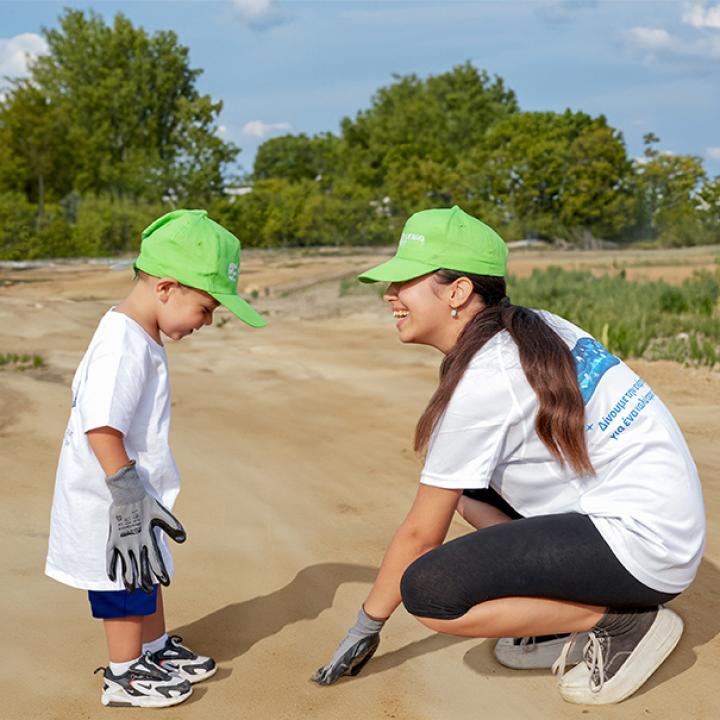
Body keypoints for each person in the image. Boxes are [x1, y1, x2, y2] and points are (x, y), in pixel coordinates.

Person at [311, 205, 705, 705]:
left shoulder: (484, 380)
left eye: (404, 281)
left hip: (644, 548)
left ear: (457, 291)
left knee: (430, 593)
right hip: (666, 522)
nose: (389, 294)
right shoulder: (535, 328)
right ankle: (566, 606)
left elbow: (420, 533)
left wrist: (367, 624)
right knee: (463, 485)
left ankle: (618, 621)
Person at [45, 209, 266, 708]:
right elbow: (100, 423)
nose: (207, 322)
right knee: (123, 583)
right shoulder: (122, 343)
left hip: (133, 494)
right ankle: (123, 674)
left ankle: (154, 648)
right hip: (111, 499)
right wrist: (125, 493)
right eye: (207, 308)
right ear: (167, 288)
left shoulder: (141, 336)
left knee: (147, 569)